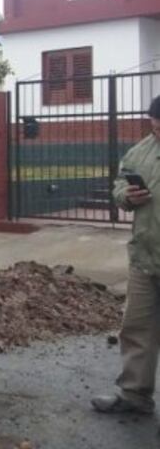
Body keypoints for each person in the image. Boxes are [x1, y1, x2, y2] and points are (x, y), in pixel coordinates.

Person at [91, 95, 160, 415]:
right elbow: (120, 183)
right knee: (136, 328)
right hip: (144, 257)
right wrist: (127, 195)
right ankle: (135, 394)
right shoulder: (140, 150)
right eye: (155, 123)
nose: (157, 129)